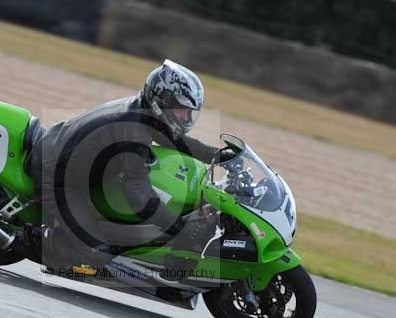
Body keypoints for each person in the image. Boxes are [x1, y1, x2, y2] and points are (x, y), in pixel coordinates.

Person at [14, 59, 233, 269]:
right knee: (98, 255)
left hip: (66, 159)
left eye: (189, 112)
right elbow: (137, 191)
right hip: (55, 178)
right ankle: (27, 238)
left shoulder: (144, 113)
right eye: (182, 110)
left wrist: (219, 155)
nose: (186, 117)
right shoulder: (134, 133)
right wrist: (177, 228)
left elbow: (176, 140)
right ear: (162, 103)